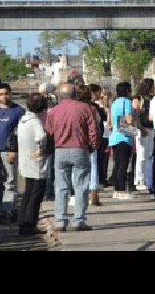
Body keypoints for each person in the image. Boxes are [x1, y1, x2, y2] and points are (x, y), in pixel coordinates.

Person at [45, 82, 99, 231]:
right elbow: (93, 131)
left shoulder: (53, 111)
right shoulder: (85, 108)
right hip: (79, 149)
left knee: (61, 186)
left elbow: (49, 132)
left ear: (60, 96)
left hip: (60, 150)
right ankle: (78, 220)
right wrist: (92, 146)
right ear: (75, 94)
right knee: (81, 185)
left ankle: (60, 221)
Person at [0, 82, 24, 223]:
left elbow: (21, 132)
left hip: (9, 152)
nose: (4, 96)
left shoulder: (18, 110)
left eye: (6, 93)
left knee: (10, 182)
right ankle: (10, 209)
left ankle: (5, 212)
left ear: (10, 94)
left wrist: (14, 149)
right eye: (1, 94)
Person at [16, 93, 50, 235]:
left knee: (27, 193)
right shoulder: (35, 121)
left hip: (25, 161)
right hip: (36, 164)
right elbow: (41, 136)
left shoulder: (23, 119)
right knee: (35, 196)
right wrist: (41, 149)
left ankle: (23, 222)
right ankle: (29, 224)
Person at [108, 81, 135, 200]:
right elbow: (128, 120)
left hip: (114, 136)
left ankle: (117, 190)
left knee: (118, 164)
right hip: (124, 136)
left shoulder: (114, 103)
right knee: (124, 165)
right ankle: (121, 190)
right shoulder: (127, 102)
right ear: (127, 91)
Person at [132, 78, 155, 193]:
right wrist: (140, 128)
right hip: (142, 129)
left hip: (151, 129)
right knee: (141, 155)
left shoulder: (152, 98)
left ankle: (147, 178)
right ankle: (139, 180)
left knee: (149, 154)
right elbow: (135, 115)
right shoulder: (138, 98)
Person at [86, 84, 106, 206]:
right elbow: (101, 119)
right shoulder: (93, 107)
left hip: (81, 140)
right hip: (92, 140)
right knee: (93, 166)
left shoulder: (81, 106)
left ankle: (79, 193)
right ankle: (93, 192)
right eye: (98, 92)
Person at [97, 88, 112, 187]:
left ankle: (104, 177)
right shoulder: (99, 106)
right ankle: (100, 178)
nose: (105, 98)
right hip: (101, 133)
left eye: (107, 96)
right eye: (103, 96)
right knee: (100, 157)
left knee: (106, 157)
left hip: (108, 133)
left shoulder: (110, 107)